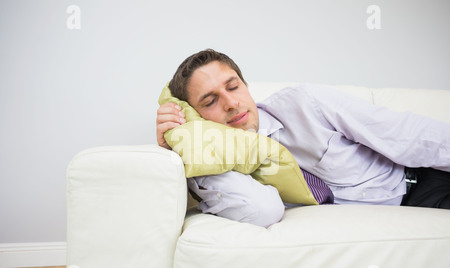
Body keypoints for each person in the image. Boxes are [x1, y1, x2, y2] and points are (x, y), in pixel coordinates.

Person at [156, 49, 450, 227]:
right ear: (195, 116)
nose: (230, 104)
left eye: (232, 87)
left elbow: (402, 134)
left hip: (424, 181)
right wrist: (187, 143)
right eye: (210, 101)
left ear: (246, 86)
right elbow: (261, 210)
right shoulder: (227, 166)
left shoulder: (304, 104)